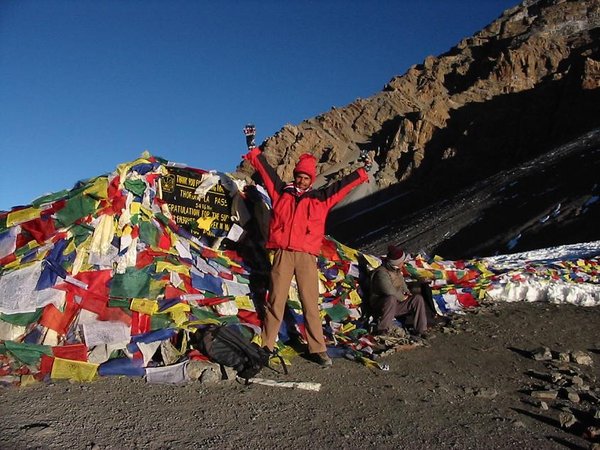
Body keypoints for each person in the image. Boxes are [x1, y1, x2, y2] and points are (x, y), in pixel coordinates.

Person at [242, 124, 370, 366]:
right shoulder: (281, 192)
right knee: (275, 300)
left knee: (310, 301)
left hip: (306, 256)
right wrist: (252, 147)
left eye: (306, 177)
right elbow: (266, 170)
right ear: (295, 176)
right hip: (282, 253)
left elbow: (342, 187)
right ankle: (267, 345)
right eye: (299, 176)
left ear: (311, 179)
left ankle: (317, 348)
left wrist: (362, 172)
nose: (301, 180)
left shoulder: (320, 198)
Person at [369, 245, 430, 338]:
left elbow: (402, 284)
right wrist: (402, 297)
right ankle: (382, 330)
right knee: (391, 298)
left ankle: (421, 330)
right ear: (396, 263)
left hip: (396, 305)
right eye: (402, 261)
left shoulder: (396, 271)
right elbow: (389, 290)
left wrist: (407, 292)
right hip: (381, 306)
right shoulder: (381, 273)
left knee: (417, 299)